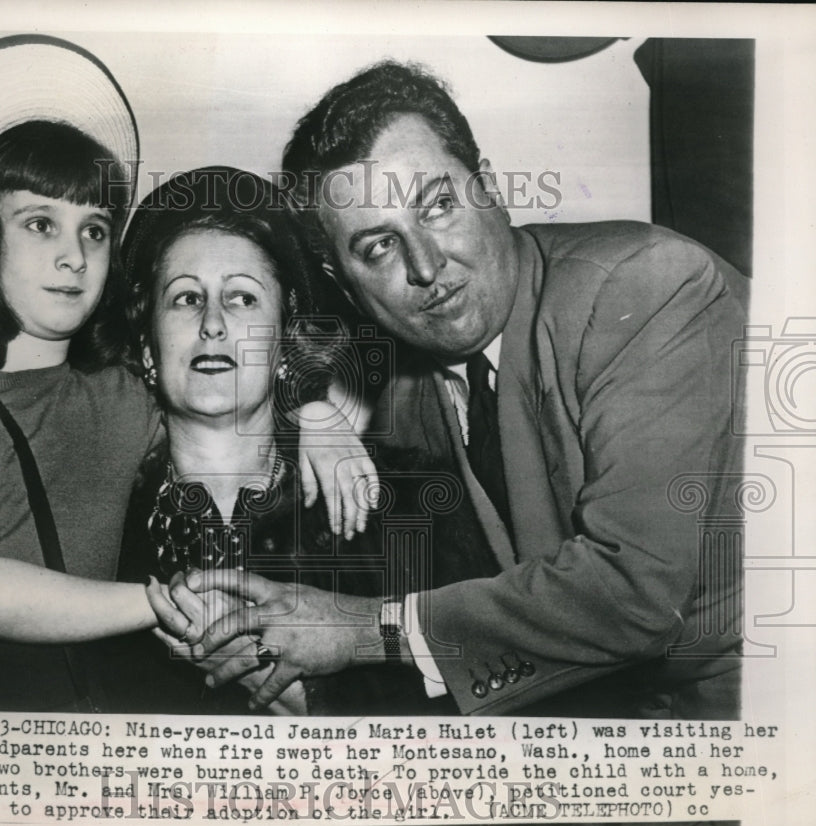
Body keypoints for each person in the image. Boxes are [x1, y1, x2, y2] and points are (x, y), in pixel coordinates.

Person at [183, 60, 749, 719]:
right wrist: (314, 413)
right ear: (344, 281)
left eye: (439, 206)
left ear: (487, 184)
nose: (427, 267)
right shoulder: (416, 372)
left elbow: (635, 594)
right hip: (611, 713)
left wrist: (368, 631)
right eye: (379, 248)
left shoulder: (646, 284)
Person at [0, 38, 372, 712]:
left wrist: (316, 410)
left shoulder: (122, 390)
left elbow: (225, 379)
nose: (74, 255)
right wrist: (162, 602)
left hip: (82, 719)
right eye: (41, 223)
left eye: (96, 229)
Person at [97, 166, 486, 715]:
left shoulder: (408, 505)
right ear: (146, 346)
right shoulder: (96, 525)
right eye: (185, 299)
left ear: (284, 342)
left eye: (243, 299)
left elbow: (487, 696)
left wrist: (300, 693)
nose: (213, 324)